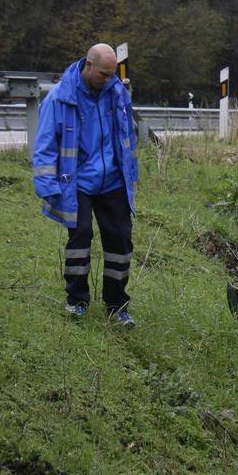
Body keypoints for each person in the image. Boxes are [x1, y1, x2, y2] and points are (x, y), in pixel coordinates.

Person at [33, 43, 139, 328]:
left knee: (120, 241)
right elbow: (44, 146)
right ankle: (77, 301)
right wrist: (47, 186)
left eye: (112, 74)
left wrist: (132, 174)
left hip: (113, 180)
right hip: (76, 182)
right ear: (88, 66)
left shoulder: (116, 92)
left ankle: (117, 306)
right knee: (80, 237)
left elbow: (128, 135)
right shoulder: (59, 98)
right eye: (104, 74)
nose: (109, 79)